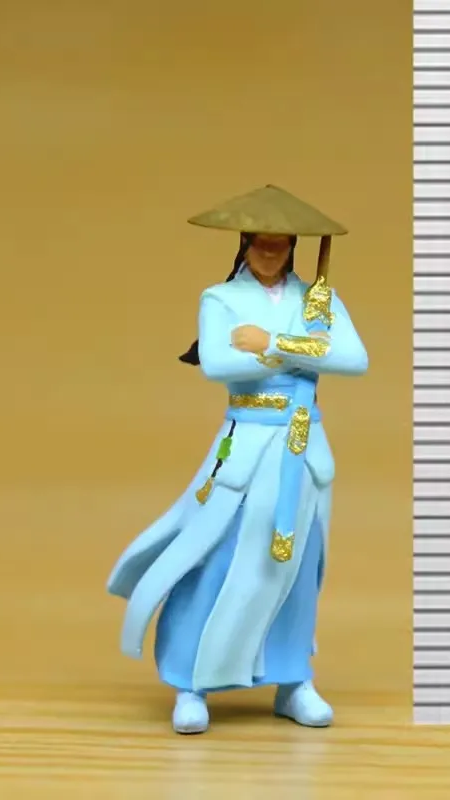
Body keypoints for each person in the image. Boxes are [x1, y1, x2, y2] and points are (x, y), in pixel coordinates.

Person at [106, 185, 369, 734]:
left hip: (303, 446)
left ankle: (293, 679)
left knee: (296, 568)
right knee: (217, 558)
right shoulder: (220, 299)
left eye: (280, 245)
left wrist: (272, 342)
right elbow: (220, 364)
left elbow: (353, 358)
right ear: (246, 244)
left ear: (292, 247)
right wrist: (302, 351)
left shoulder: (318, 301)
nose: (270, 254)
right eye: (260, 244)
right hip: (248, 443)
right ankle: (190, 682)